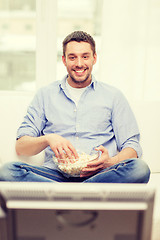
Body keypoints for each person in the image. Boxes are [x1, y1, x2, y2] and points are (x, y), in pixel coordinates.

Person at [0, 31, 150, 183]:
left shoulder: (113, 96)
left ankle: (67, 194)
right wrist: (48, 139)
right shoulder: (45, 95)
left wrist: (110, 162)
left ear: (94, 58)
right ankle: (83, 194)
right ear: (64, 60)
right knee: (7, 171)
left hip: (100, 174)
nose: (79, 64)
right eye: (72, 57)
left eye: (85, 56)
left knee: (139, 169)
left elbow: (132, 146)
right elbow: (21, 146)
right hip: (55, 175)